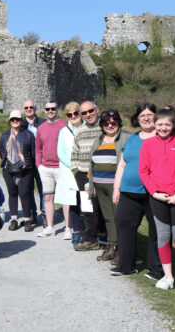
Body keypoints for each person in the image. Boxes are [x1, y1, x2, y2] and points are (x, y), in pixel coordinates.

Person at [139, 106, 175, 298]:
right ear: (154, 125)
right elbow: (143, 171)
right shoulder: (147, 145)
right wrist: (154, 193)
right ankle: (168, 277)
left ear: (174, 125)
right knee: (163, 237)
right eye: (160, 124)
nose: (163, 128)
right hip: (158, 197)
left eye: (167, 124)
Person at [110, 103, 163, 278]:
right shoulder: (132, 139)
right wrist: (116, 188)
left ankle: (156, 270)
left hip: (153, 193)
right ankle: (126, 266)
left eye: (149, 115)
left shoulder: (162, 138)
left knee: (156, 231)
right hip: (128, 192)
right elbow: (122, 164)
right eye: (142, 116)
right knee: (124, 226)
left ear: (156, 117)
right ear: (137, 119)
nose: (146, 118)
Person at [87, 110, 130, 262]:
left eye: (113, 122)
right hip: (100, 185)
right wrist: (90, 183)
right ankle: (111, 247)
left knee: (119, 218)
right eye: (106, 123)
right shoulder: (99, 139)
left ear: (118, 122)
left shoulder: (126, 138)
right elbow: (91, 163)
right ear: (102, 125)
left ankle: (121, 250)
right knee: (108, 218)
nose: (110, 126)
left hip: (116, 186)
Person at [72, 101, 107, 252]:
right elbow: (74, 152)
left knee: (105, 208)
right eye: (84, 113)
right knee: (88, 209)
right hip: (83, 174)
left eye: (90, 111)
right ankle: (91, 240)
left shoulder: (105, 128)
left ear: (97, 110)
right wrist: (75, 171)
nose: (88, 115)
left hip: (103, 174)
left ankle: (106, 239)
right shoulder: (79, 131)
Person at [0, 110, 36, 232]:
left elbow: (32, 152)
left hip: (25, 169)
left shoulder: (28, 135)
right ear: (9, 121)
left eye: (17, 119)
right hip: (8, 169)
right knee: (12, 193)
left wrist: (25, 162)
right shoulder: (4, 135)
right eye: (12, 119)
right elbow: (1, 152)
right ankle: (14, 219)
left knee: (24, 193)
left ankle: (27, 219)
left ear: (21, 120)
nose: (15, 121)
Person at [35, 101, 67, 238]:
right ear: (44, 110)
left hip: (61, 167)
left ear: (57, 109)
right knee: (48, 197)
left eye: (53, 108)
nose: (50, 111)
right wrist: (39, 165)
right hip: (46, 168)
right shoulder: (41, 128)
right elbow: (38, 148)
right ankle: (50, 227)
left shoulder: (65, 125)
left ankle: (68, 228)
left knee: (66, 198)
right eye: (47, 109)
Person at [55, 102, 84, 244]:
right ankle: (76, 231)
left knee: (89, 202)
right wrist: (74, 166)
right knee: (74, 202)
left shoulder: (87, 128)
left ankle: (94, 233)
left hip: (86, 171)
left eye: (76, 113)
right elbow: (60, 152)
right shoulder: (63, 131)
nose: (73, 116)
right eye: (69, 114)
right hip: (71, 172)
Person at [20, 99, 45, 226]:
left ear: (35, 108)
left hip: (42, 161)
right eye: (26, 108)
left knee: (43, 189)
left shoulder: (43, 122)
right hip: (27, 162)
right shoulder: (20, 124)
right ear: (23, 110)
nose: (29, 109)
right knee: (28, 189)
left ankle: (45, 214)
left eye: (31, 107)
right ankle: (32, 215)